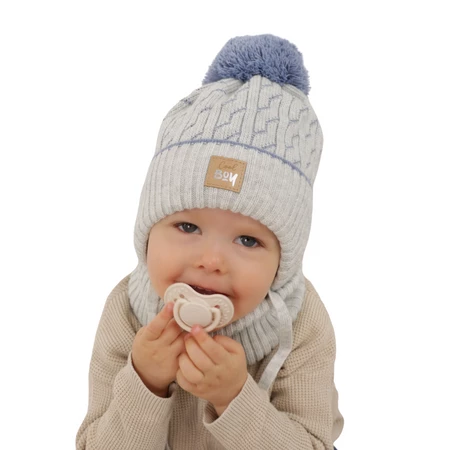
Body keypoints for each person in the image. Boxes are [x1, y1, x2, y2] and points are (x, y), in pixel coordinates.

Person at [76, 34, 344, 450]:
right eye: (187, 227)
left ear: (284, 264)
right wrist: (145, 382)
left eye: (248, 240)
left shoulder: (300, 322)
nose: (211, 260)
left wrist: (235, 399)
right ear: (146, 233)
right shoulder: (127, 312)